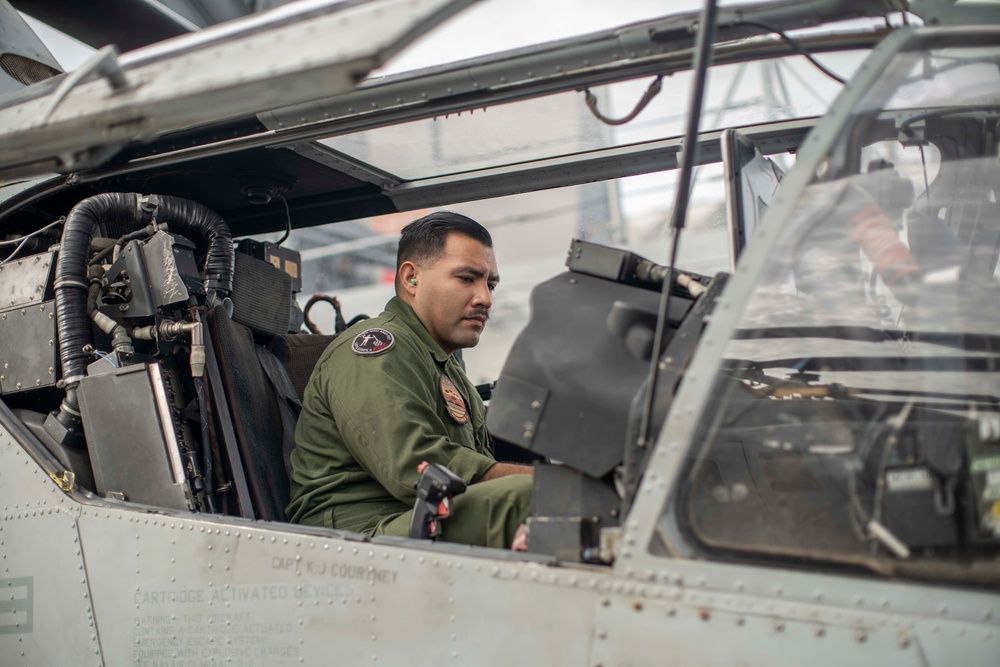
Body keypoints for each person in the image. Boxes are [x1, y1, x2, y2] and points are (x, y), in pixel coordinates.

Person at [286, 211, 532, 549]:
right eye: (466, 278)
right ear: (411, 278)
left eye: (490, 284)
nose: (485, 299)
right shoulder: (375, 349)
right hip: (355, 536)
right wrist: (545, 483)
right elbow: (418, 467)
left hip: (412, 516)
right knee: (528, 496)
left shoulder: (445, 366)